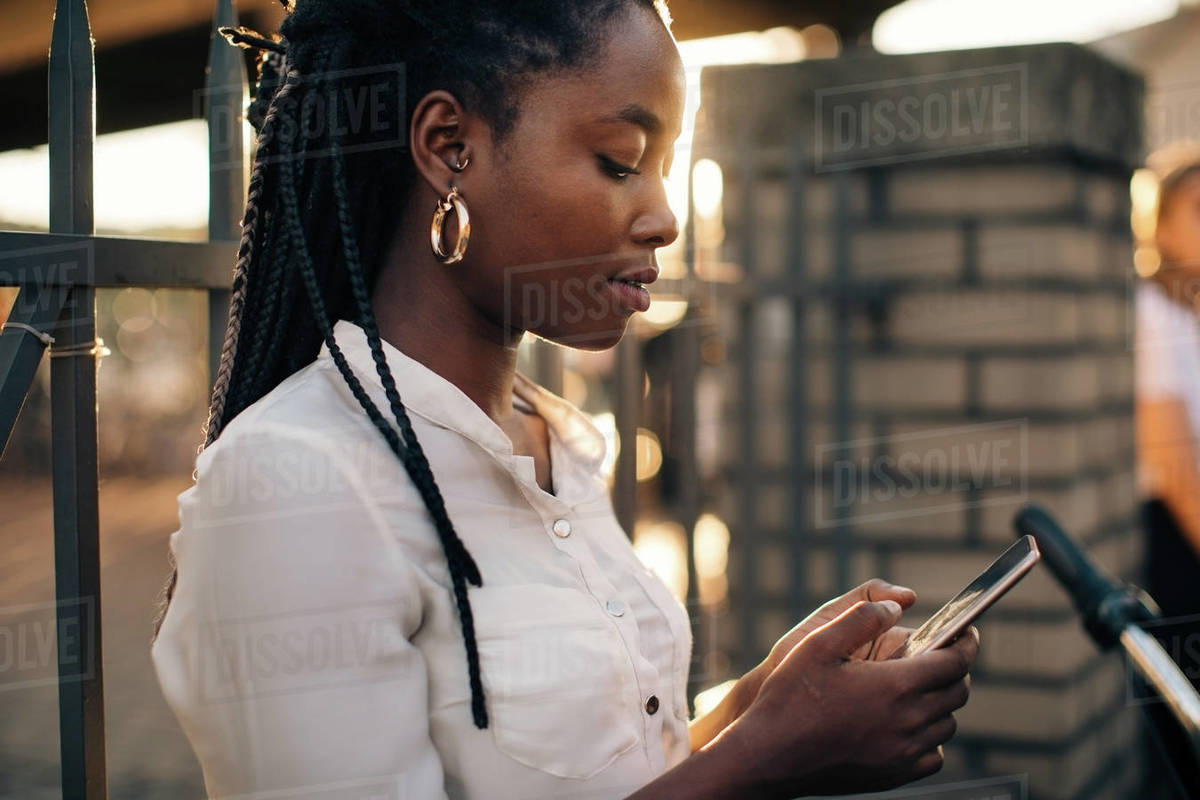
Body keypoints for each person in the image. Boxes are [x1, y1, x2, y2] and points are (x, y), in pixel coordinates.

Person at [149, 2, 978, 798]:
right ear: (448, 148)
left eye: (665, 167)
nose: (663, 218)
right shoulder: (295, 484)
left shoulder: (553, 444)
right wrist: (769, 766)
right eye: (620, 160)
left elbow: (612, 769)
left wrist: (763, 705)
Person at [1136, 152, 1200, 622]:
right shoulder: (1151, 313)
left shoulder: (1187, 311)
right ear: (1159, 227)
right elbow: (1175, 469)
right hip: (1179, 534)